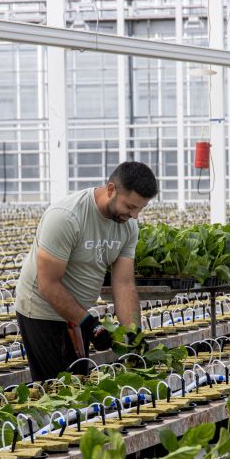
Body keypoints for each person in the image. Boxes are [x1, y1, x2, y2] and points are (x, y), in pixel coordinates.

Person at [15, 161, 159, 381]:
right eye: (130, 207)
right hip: (42, 310)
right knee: (56, 388)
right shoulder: (66, 217)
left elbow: (124, 284)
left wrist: (133, 333)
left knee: (79, 383)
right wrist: (90, 324)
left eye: (140, 208)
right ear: (111, 189)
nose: (135, 215)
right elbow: (48, 284)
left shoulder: (128, 226)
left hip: (77, 312)